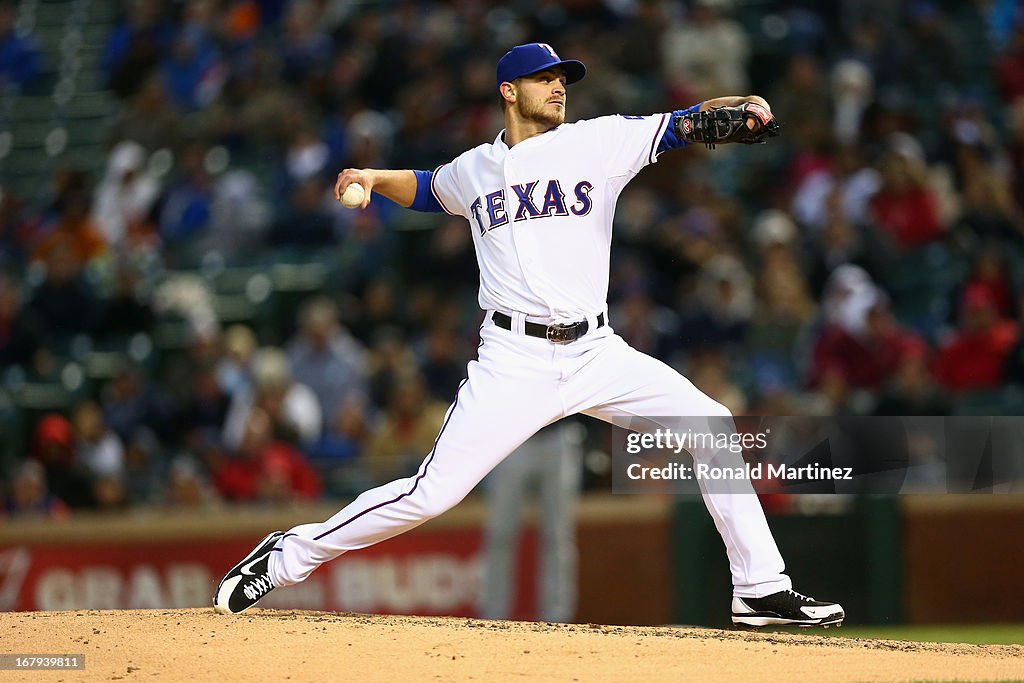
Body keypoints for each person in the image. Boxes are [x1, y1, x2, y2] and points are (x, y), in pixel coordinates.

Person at [214, 43, 844, 627]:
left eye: (563, 79)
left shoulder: (598, 142)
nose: (559, 87)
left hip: (597, 351)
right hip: (513, 361)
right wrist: (377, 178)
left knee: (711, 425)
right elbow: (431, 188)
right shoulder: (475, 169)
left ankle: (760, 587)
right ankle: (286, 556)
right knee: (431, 495)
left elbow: (683, 123)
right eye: (545, 79)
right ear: (508, 91)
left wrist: (736, 112)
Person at [478, 421, 583, 623]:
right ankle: (493, 615)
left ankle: (558, 618)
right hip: (515, 434)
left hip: (558, 434)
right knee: (500, 533)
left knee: (558, 535)